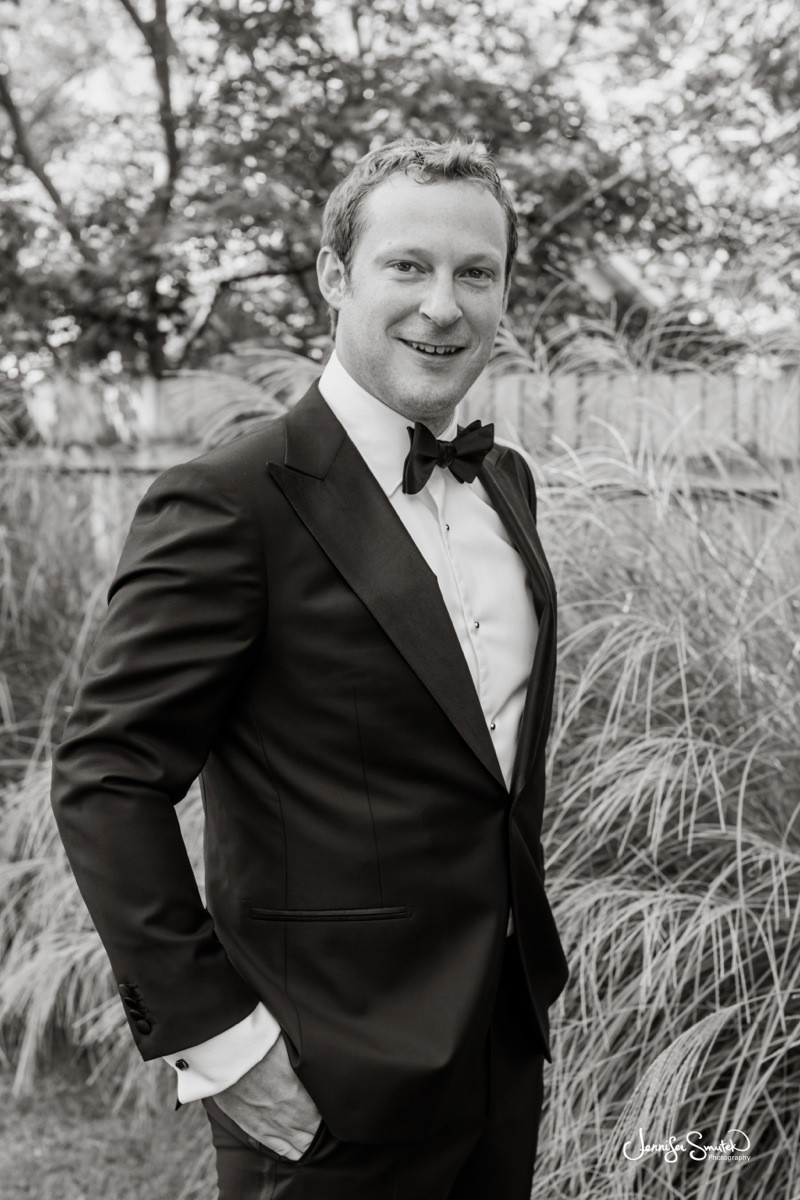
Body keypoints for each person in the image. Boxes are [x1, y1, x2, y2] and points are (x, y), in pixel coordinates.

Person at [50, 137, 570, 1200]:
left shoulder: (505, 483)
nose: (443, 305)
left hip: (499, 1048)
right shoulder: (230, 499)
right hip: (320, 1080)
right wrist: (221, 1046)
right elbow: (107, 776)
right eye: (406, 265)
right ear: (335, 276)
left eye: (476, 272)